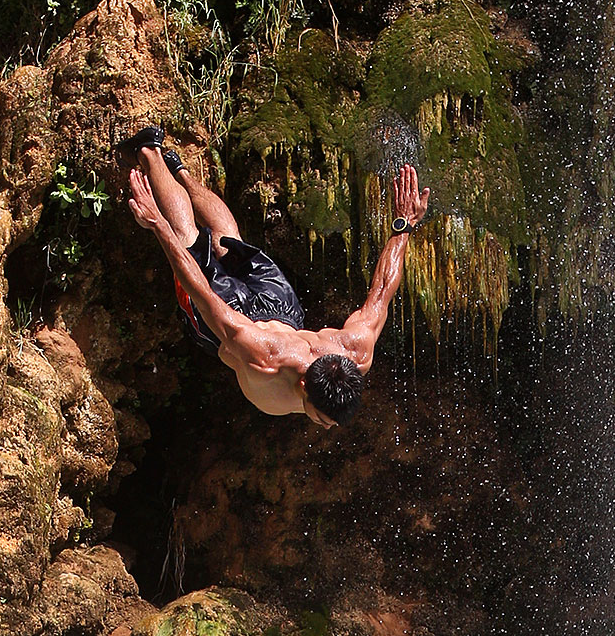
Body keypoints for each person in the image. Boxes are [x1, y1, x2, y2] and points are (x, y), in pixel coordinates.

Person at [119, 129, 431, 428]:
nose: (325, 428)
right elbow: (201, 293)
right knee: (188, 238)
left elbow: (382, 292)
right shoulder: (262, 359)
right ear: (304, 384)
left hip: (282, 310)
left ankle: (182, 172)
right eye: (322, 419)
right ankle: (149, 150)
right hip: (236, 324)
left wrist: (403, 226)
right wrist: (157, 224)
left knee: (229, 240)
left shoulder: (356, 351)